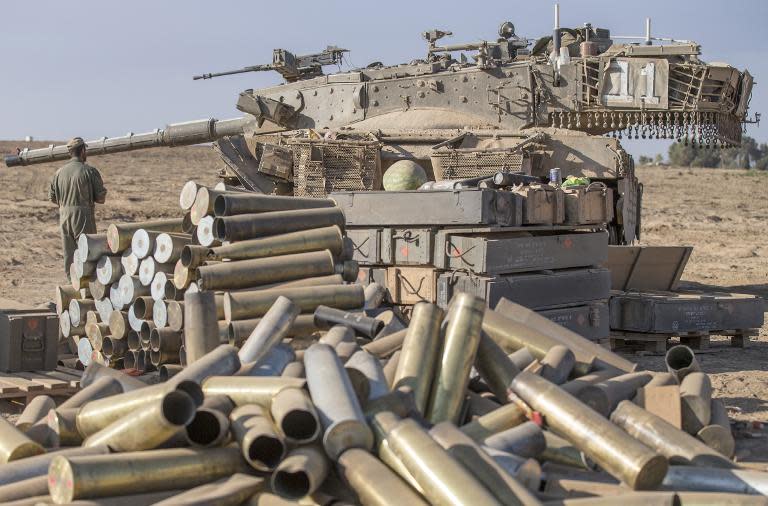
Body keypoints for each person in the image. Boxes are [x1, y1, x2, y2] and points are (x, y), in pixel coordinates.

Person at [49, 137, 107, 278]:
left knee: (69, 256)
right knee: (88, 251)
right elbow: (101, 198)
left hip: (64, 216)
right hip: (83, 216)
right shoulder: (89, 171)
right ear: (82, 151)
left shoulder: (58, 173)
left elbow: (53, 198)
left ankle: (72, 288)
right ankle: (89, 288)